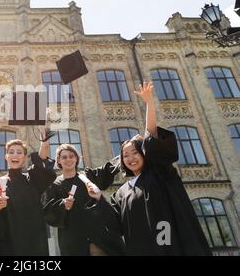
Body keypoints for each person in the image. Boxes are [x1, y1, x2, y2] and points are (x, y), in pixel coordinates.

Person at [87, 82, 212, 256]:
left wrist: (149, 104)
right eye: (125, 155)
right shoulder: (121, 193)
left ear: (144, 153)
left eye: (134, 152)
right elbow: (116, 225)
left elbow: (152, 137)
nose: (130, 158)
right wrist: (99, 198)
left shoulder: (160, 173)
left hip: (169, 248)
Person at [0, 126, 56, 256]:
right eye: (11, 152)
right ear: (6, 156)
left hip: (34, 244)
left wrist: (44, 139)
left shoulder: (33, 179)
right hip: (8, 246)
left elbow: (41, 160)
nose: (15, 155)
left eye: (19, 152)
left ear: (24, 157)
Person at [43, 144, 124, 256]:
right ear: (59, 160)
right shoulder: (54, 185)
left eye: (71, 156)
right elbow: (48, 214)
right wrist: (62, 206)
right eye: (64, 157)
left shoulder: (87, 177)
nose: (68, 159)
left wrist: (124, 154)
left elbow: (108, 169)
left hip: (98, 239)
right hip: (73, 242)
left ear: (77, 158)